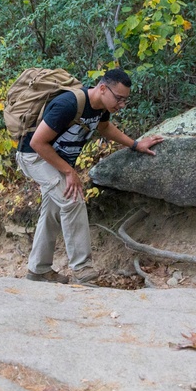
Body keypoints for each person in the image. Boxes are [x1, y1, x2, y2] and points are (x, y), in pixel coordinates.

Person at [16, 68, 164, 285]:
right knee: (72, 200)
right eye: (119, 98)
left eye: (125, 100)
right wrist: (68, 171)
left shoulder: (101, 107)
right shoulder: (68, 105)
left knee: (53, 209)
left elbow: (105, 128)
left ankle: (38, 270)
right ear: (102, 88)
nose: (121, 105)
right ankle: (82, 270)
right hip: (34, 157)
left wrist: (135, 144)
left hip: (54, 159)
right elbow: (37, 143)